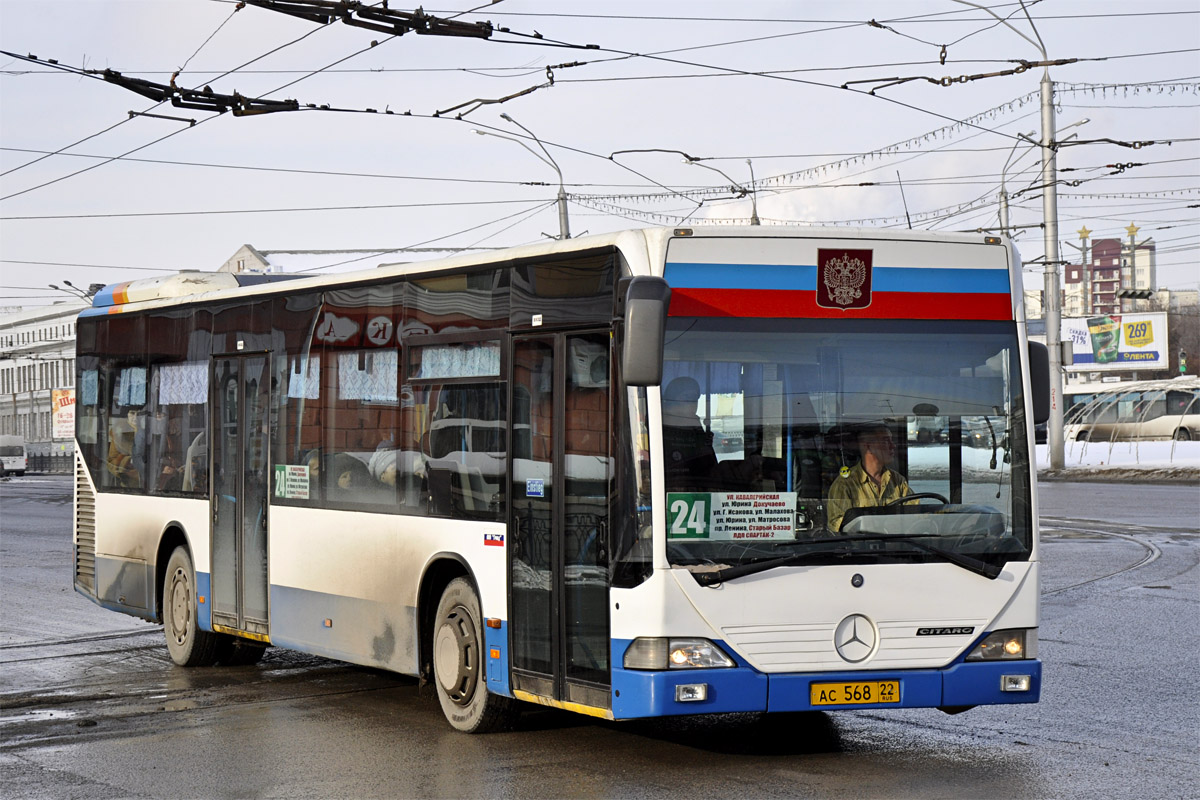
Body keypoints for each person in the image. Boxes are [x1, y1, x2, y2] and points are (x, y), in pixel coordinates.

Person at [826, 424, 911, 531]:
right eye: (885, 441)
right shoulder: (845, 484)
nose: (893, 446)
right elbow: (836, 525)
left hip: (896, 546)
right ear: (868, 447)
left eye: (891, 440)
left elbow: (915, 514)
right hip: (861, 546)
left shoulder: (898, 480)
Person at [661, 376, 717, 489]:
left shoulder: (695, 426)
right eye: (687, 397)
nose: (692, 403)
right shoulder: (657, 424)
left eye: (695, 398)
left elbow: (710, 469)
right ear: (672, 399)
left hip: (696, 488)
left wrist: (706, 447)